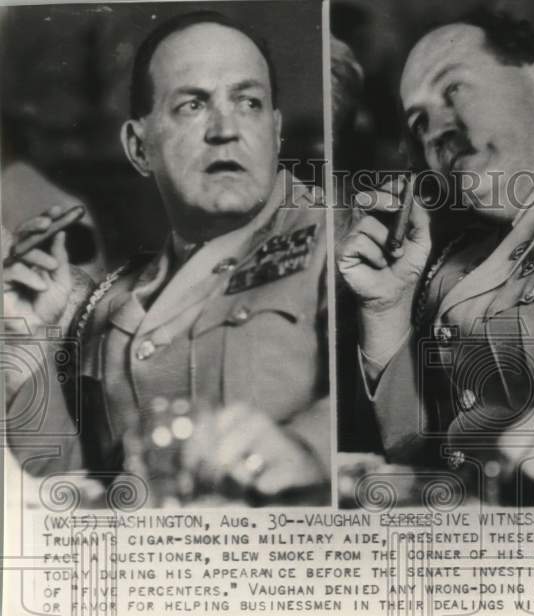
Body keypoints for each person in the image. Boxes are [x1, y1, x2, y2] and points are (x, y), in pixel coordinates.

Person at [3, 11, 330, 504]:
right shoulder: (108, 303)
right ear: (139, 147)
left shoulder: (340, 239)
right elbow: (68, 491)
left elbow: (412, 417)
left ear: (276, 131)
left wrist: (306, 449)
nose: (227, 128)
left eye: (249, 102)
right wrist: (28, 346)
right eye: (192, 105)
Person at [337, 10, 534, 493]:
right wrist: (385, 308)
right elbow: (414, 449)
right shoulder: (451, 249)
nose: (435, 130)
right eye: (418, 122)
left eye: (453, 89)